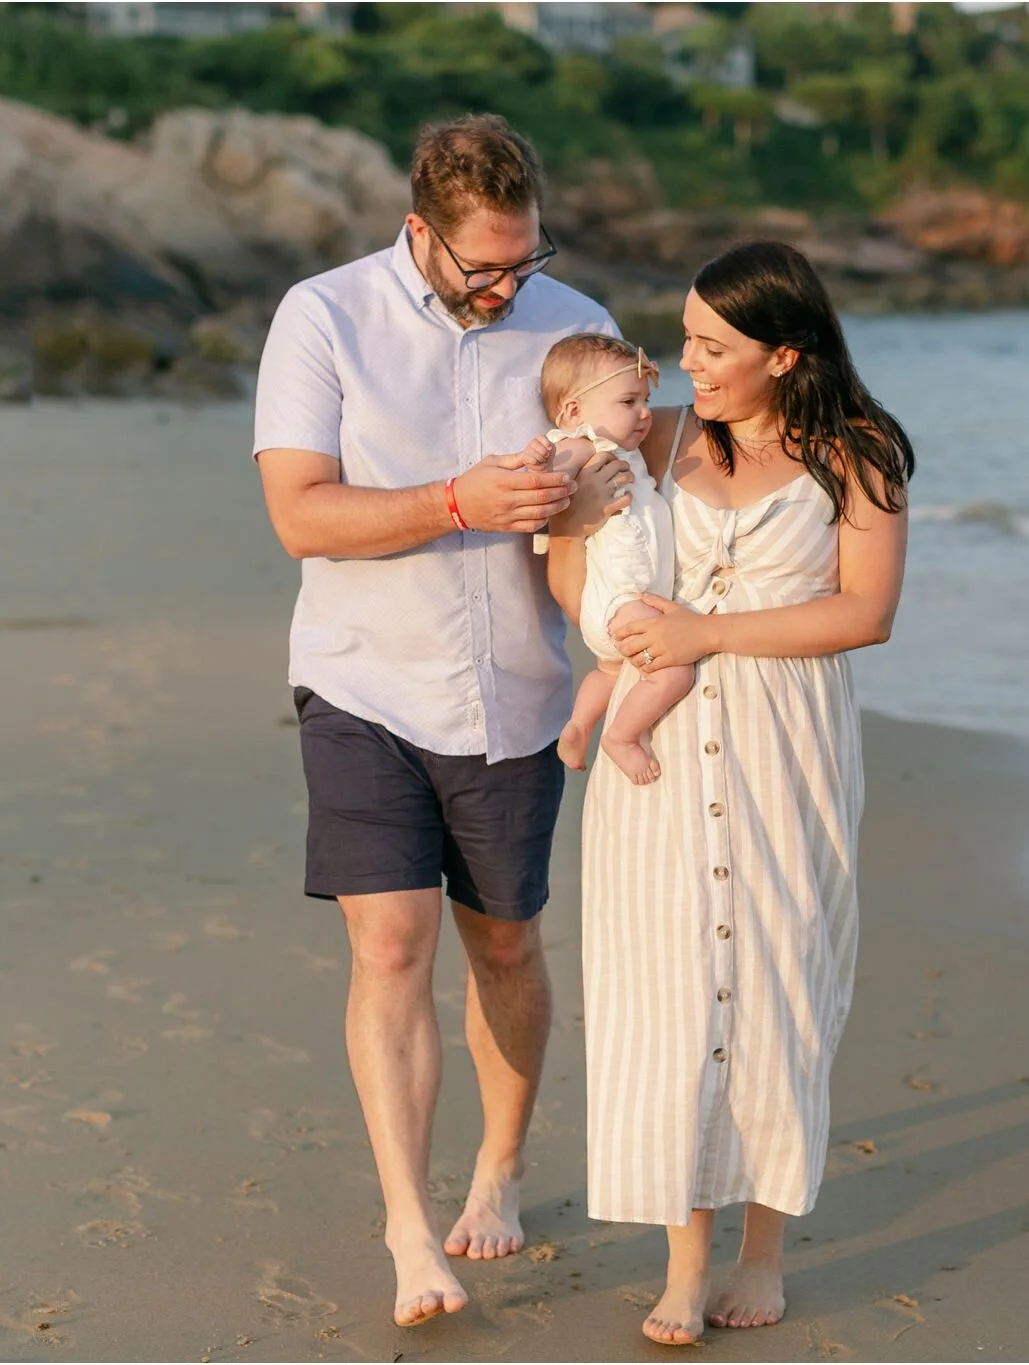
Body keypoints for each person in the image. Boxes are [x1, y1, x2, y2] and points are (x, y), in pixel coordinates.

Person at [250, 113, 630, 1329]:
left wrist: (572, 513)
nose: (508, 284)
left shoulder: (576, 329)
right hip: (361, 680)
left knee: (505, 947)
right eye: (484, 267)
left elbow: (609, 534)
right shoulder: (324, 315)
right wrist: (457, 499)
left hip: (515, 691)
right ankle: (410, 1229)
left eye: (525, 258)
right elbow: (302, 517)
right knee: (391, 948)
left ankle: (499, 1170)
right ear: (420, 231)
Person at [545, 240, 914, 1346]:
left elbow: (865, 614)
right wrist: (590, 592)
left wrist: (709, 634)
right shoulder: (655, 439)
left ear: (784, 352)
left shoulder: (859, 453)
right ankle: (681, 1261)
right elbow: (580, 566)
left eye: (713, 345)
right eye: (686, 338)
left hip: (780, 745)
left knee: (776, 984)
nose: (684, 363)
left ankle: (763, 1251)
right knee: (667, 997)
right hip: (654, 752)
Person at [536, 334, 692, 785]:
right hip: (622, 601)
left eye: (645, 399)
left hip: (619, 604)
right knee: (673, 672)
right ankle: (621, 736)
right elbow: (547, 483)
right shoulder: (581, 444)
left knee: (609, 671)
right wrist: (546, 470)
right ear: (574, 412)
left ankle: (579, 725)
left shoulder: (622, 451)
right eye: (628, 401)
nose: (644, 413)